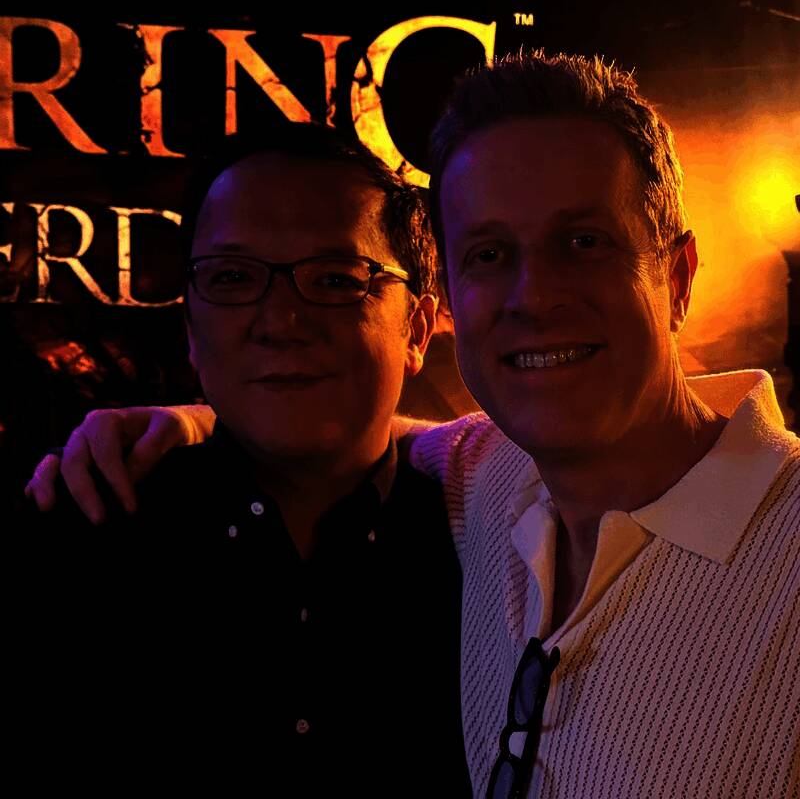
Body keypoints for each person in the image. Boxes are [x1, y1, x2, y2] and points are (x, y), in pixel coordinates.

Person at [27, 52, 800, 798]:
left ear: (677, 276)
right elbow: (343, 429)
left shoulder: (773, 537)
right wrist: (199, 419)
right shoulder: (487, 475)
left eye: (583, 242)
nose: (534, 296)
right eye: (489, 253)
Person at [17, 123, 471, 796]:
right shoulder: (75, 535)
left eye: (337, 279)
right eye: (232, 277)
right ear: (190, 329)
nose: (281, 320)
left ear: (418, 328)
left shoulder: (495, 546)